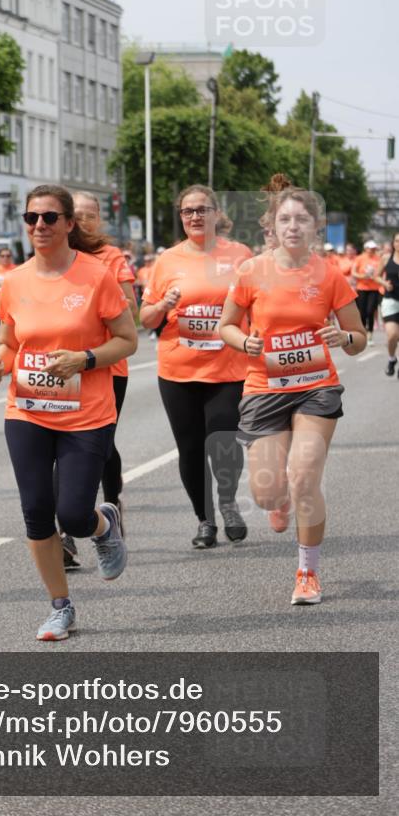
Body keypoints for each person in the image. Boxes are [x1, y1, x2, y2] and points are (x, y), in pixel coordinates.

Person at [0, 184, 137, 641]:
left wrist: (85, 359)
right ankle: (60, 606)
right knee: (35, 511)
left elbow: (127, 340)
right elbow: (10, 343)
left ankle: (102, 524)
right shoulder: (14, 281)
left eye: (50, 217)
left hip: (86, 414)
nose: (39, 226)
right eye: (32, 218)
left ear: (70, 223)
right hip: (27, 410)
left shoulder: (96, 276)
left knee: (72, 515)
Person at [219, 174, 366, 606]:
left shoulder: (330, 274)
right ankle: (278, 499)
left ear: (315, 227)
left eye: (302, 219)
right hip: (264, 387)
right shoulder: (251, 272)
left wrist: (345, 340)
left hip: (316, 387)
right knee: (267, 492)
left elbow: (359, 339)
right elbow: (225, 326)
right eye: (285, 219)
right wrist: (244, 341)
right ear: (272, 225)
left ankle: (307, 571)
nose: (294, 227)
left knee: (304, 479)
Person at [140, 184, 251, 550]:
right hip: (178, 370)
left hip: (228, 367)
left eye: (202, 209)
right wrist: (163, 305)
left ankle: (229, 501)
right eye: (188, 211)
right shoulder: (167, 261)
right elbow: (146, 317)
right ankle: (205, 520)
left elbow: (259, 304)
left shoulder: (240, 256)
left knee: (223, 440)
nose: (195, 217)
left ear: (217, 214)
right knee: (189, 449)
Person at [72, 192, 138, 532]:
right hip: (64, 366)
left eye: (89, 215)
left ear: (99, 220)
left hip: (108, 365)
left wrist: (95, 301)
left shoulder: (110, 257)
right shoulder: (55, 256)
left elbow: (131, 305)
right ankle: (66, 529)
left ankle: (111, 503)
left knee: (101, 441)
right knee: (64, 442)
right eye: (76, 214)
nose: (83, 221)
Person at [352, 240, 383, 343]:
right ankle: (363, 331)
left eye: (373, 248)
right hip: (362, 288)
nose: (371, 250)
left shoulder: (378, 259)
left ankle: (370, 332)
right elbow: (353, 272)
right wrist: (363, 276)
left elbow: (381, 272)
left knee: (370, 311)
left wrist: (376, 277)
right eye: (369, 248)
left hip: (374, 289)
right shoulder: (359, 258)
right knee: (362, 312)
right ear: (365, 248)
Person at [380, 231, 399, 377]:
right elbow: (375, 275)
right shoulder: (387, 258)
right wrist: (384, 283)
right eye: (397, 241)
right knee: (392, 335)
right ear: (393, 243)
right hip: (390, 300)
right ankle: (392, 359)